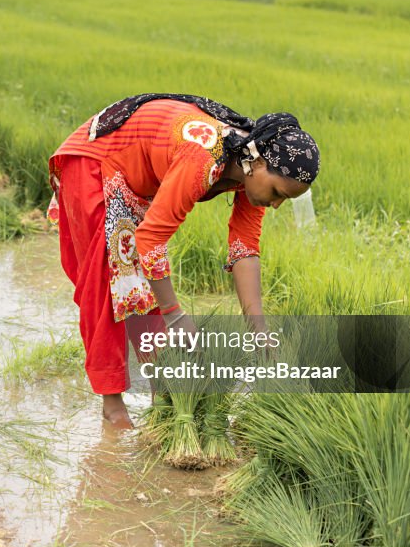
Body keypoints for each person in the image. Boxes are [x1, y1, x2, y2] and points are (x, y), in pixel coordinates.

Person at [47, 94, 320, 429]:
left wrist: (258, 331)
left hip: (134, 178)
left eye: (284, 199)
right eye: (278, 193)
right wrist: (176, 317)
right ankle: (113, 408)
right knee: (109, 284)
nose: (275, 204)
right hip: (95, 161)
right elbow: (151, 242)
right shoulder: (203, 156)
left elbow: (244, 248)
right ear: (259, 163)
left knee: (142, 287)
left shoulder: (250, 169)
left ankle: (161, 400)